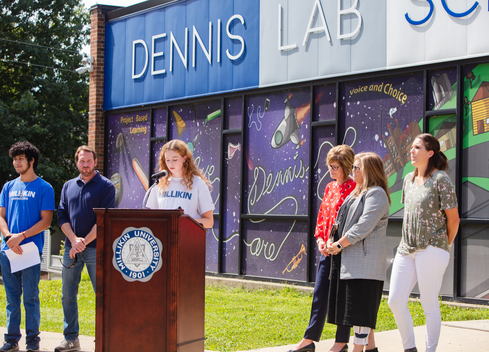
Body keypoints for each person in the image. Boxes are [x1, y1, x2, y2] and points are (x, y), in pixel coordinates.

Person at [388, 133, 459, 352]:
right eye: (411, 147)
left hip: (432, 248)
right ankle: (410, 348)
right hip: (406, 248)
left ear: (430, 153)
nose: (411, 150)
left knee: (428, 303)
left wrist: (442, 247)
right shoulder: (408, 179)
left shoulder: (440, 179)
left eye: (417, 147)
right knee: (395, 301)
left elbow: (454, 220)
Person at [288, 145, 355, 352]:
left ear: (346, 166)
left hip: (345, 251)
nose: (331, 171)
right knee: (320, 294)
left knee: (342, 297)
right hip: (327, 250)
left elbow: (354, 223)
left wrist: (338, 243)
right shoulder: (329, 187)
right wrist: (319, 240)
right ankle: (309, 340)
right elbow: (322, 217)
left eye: (335, 167)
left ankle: (341, 342)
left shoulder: (355, 189)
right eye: (329, 166)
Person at [326, 152, 391, 352]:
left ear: (369, 171)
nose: (352, 171)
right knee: (358, 313)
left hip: (365, 265)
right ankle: (370, 349)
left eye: (356, 168)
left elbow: (363, 226)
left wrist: (339, 245)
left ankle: (357, 350)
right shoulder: (357, 193)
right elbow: (341, 221)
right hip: (350, 263)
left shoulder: (376, 194)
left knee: (361, 313)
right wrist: (331, 238)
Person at [55, 145, 115, 352]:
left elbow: (105, 218)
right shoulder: (68, 186)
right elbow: (61, 216)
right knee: (67, 294)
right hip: (71, 249)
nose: (86, 164)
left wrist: (84, 242)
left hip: (96, 249)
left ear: (95, 162)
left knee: (103, 294)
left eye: (89, 161)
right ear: (77, 162)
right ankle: (71, 339)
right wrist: (73, 240)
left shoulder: (106, 186)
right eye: (82, 161)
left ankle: (107, 339)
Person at [0, 141, 55, 352]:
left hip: (30, 251)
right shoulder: (8, 187)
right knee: (11, 298)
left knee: (30, 298)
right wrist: (8, 237)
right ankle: (12, 339)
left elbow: (46, 221)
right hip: (8, 251)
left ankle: (33, 341)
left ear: (31, 160)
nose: (16, 163)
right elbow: (1, 216)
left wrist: (21, 236)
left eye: (20, 159)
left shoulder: (44, 188)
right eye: (14, 159)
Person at [146, 139, 214, 228]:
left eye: (175, 159)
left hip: (188, 238)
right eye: (167, 160)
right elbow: (151, 219)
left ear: (184, 158)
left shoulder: (198, 183)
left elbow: (209, 222)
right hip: (163, 239)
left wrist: (182, 222)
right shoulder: (159, 184)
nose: (170, 164)